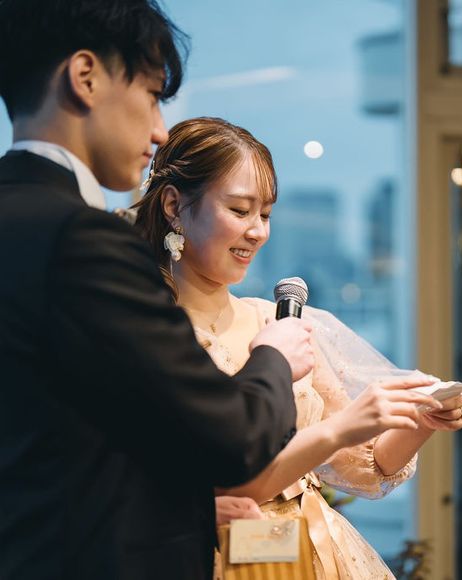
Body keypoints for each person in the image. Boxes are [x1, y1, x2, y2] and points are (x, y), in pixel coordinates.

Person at [0, 2, 319, 579]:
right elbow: (232, 437)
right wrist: (274, 354)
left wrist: (187, 506)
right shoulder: (81, 238)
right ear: (85, 77)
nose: (159, 130)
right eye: (151, 96)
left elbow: (62, 447)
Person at [134, 117, 462, 579]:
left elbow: (366, 466)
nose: (257, 232)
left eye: (265, 215)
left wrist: (418, 419)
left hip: (314, 550)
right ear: (174, 205)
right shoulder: (151, 334)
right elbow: (201, 485)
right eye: (239, 210)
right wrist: (343, 428)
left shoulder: (274, 322)